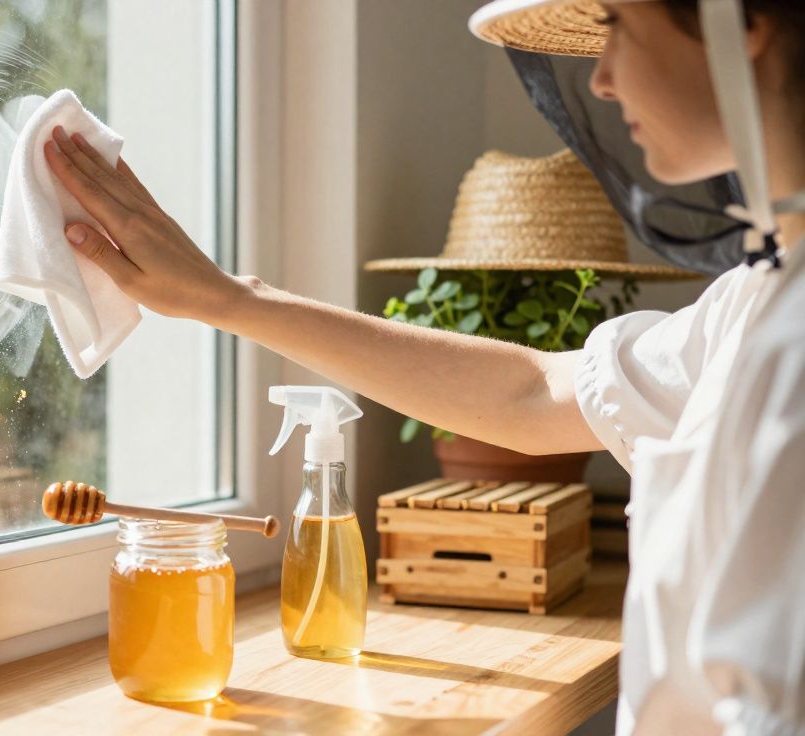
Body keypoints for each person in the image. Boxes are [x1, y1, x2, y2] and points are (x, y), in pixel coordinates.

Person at [43, 1, 805, 734]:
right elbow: (534, 393)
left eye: (616, 24)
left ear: (743, 22)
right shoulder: (755, 300)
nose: (601, 79)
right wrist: (231, 300)